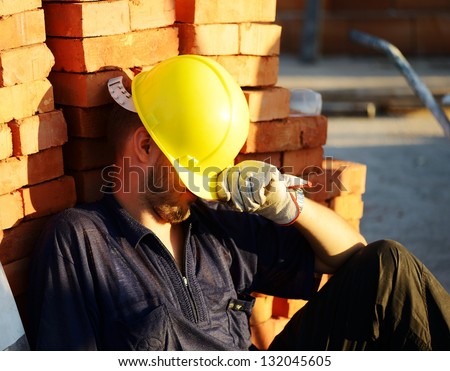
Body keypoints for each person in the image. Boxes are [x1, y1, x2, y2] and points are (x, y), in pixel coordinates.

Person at [27, 55, 450, 351]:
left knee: (388, 265)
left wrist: (288, 207)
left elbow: (350, 256)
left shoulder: (216, 223)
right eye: (193, 174)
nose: (199, 190)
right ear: (144, 147)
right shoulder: (81, 241)